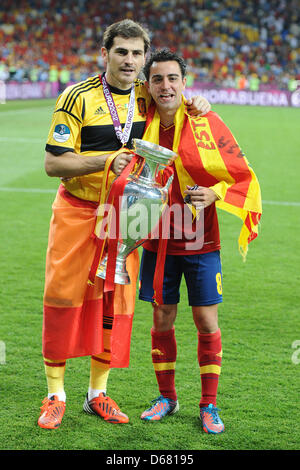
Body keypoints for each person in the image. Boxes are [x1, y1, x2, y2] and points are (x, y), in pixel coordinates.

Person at [38, 20, 211, 430]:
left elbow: (178, 105)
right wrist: (105, 160)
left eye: (137, 53)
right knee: (62, 296)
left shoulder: (146, 96)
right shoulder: (76, 97)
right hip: (79, 209)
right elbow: (52, 163)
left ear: (144, 57)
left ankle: (96, 393)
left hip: (127, 217)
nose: (130, 60)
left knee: (115, 302)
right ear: (106, 54)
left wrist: (199, 102)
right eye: (122, 52)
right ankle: (55, 394)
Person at [138, 49, 262, 434]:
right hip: (157, 241)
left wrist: (215, 195)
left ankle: (209, 404)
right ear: (148, 85)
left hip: (201, 240)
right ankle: (166, 398)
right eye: (157, 79)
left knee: (206, 321)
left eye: (173, 78)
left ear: (184, 82)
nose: (166, 85)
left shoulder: (206, 121)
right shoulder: (138, 121)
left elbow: (241, 175)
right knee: (162, 317)